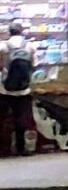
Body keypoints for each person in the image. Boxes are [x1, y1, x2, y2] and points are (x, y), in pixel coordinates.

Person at [0, 23, 38, 156]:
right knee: (22, 119)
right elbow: (34, 66)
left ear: (9, 32)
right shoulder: (30, 46)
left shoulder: (3, 46)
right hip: (24, 90)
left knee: (3, 119)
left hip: (4, 90)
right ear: (22, 32)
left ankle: (4, 149)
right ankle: (21, 148)